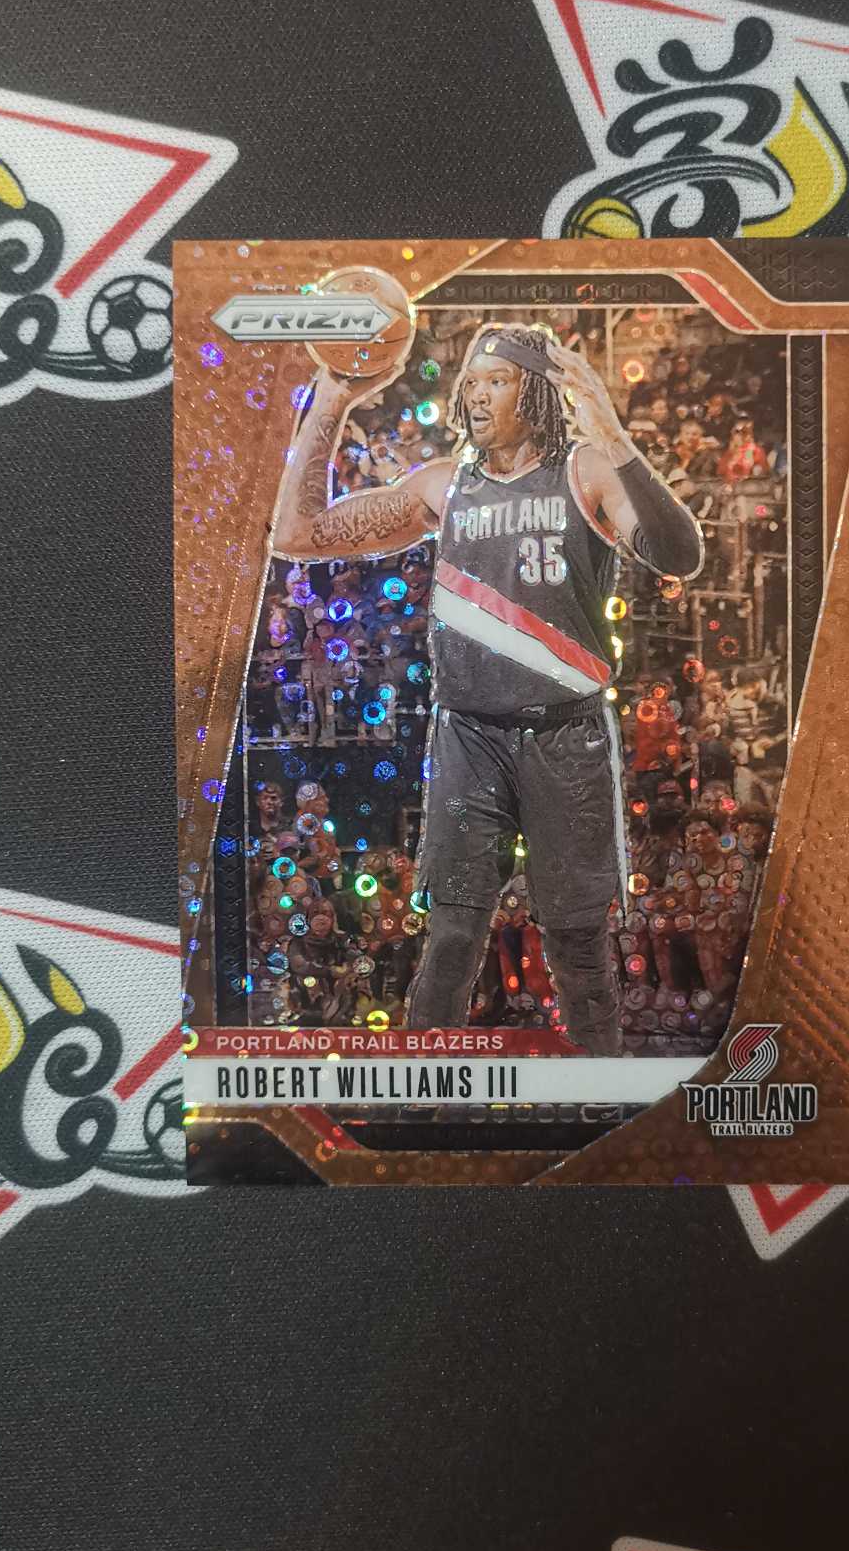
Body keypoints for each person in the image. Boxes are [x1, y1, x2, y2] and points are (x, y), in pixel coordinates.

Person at [272, 321, 704, 1053]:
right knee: (450, 936)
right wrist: (332, 397)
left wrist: (612, 432)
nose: (475, 395)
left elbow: (679, 554)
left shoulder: (586, 472)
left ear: (534, 393)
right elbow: (295, 534)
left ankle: (602, 1096)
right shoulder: (446, 486)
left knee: (577, 943)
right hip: (468, 735)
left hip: (567, 733)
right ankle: (418, 1094)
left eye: (495, 381)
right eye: (470, 382)